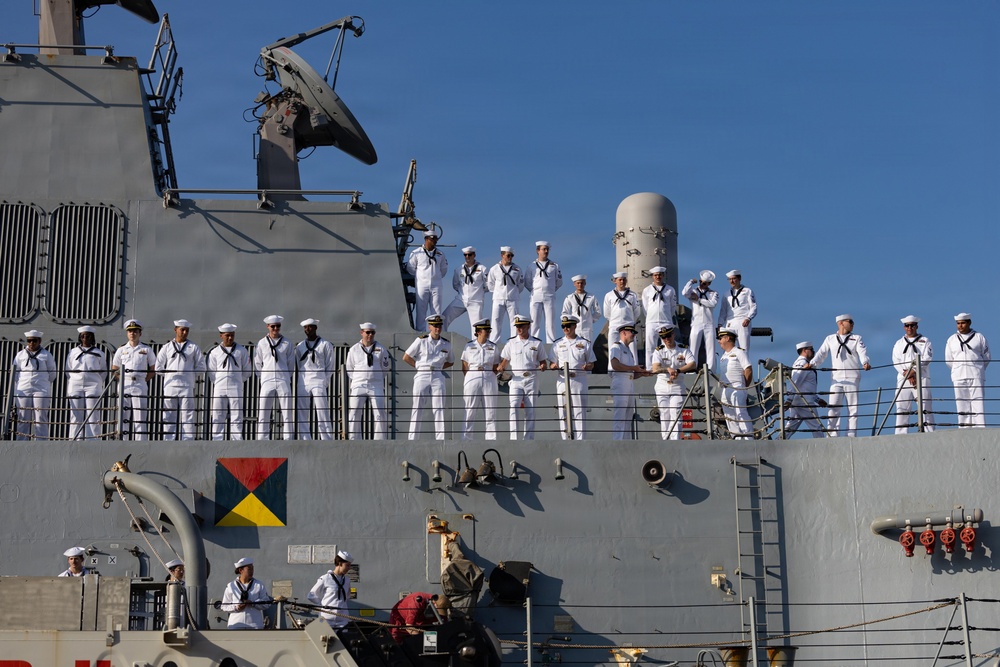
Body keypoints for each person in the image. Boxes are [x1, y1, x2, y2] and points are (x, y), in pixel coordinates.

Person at [808, 314, 871, 437]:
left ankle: (851, 436)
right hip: (836, 379)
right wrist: (812, 364)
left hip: (852, 378)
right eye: (850, 322)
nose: (853, 324)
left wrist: (865, 362)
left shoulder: (856, 338)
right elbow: (821, 354)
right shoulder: (830, 339)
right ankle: (832, 435)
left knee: (853, 409)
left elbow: (862, 352)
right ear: (841, 323)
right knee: (833, 408)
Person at [498, 314, 549, 439]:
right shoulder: (511, 343)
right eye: (517, 326)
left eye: (521, 326)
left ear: (528, 326)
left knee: (530, 409)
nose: (519, 328)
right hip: (516, 379)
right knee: (514, 405)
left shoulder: (536, 343)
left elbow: (543, 362)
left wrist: (543, 366)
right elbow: (505, 361)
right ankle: (514, 437)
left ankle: (528, 438)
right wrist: (501, 367)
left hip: (531, 378)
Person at [403, 314, 454, 440]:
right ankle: (413, 438)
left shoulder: (446, 344)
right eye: (435, 325)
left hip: (437, 375)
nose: (438, 328)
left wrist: (439, 368)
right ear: (429, 326)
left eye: (440, 325)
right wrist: (418, 366)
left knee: (439, 408)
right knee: (418, 407)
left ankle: (440, 439)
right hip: (422, 374)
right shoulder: (421, 340)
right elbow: (406, 357)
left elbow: (451, 361)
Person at [156, 319, 206, 440]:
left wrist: (189, 375)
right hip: (170, 386)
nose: (184, 332)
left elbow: (201, 367)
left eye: (186, 330)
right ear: (175, 330)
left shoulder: (193, 347)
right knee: (168, 415)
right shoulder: (167, 347)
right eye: (182, 330)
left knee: (188, 415)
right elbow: (158, 367)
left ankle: (188, 440)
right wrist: (170, 375)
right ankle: (168, 440)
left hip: (187, 386)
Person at [549, 315, 596, 439]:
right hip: (562, 379)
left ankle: (580, 440)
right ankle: (565, 440)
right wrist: (553, 365)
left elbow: (591, 362)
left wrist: (588, 366)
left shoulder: (584, 343)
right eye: (563, 326)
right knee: (563, 411)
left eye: (568, 326)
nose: (566, 328)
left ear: (575, 326)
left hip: (579, 379)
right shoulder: (557, 344)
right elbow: (552, 362)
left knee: (579, 411)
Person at [345, 323, 392, 439]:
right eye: (367, 332)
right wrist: (358, 378)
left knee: (380, 413)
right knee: (354, 413)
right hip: (358, 384)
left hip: (375, 384)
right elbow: (349, 368)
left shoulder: (381, 349)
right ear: (362, 333)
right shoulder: (354, 349)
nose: (370, 335)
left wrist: (376, 377)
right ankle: (354, 439)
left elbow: (385, 367)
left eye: (372, 333)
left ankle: (380, 440)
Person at [945, 312, 991, 428]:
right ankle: (964, 427)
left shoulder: (979, 337)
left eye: (963, 323)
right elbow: (949, 360)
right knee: (961, 402)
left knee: (978, 402)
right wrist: (957, 369)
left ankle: (980, 427)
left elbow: (987, 357)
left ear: (969, 323)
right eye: (958, 323)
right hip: (958, 375)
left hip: (976, 374)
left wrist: (978, 368)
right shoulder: (952, 339)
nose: (960, 326)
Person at [111, 319, 156, 440]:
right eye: (130, 331)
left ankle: (140, 442)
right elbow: (115, 368)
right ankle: (122, 441)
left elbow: (153, 368)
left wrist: (143, 380)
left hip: (140, 383)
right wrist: (122, 379)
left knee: (140, 415)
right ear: (127, 333)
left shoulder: (147, 350)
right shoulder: (121, 350)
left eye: (135, 331)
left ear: (140, 333)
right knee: (123, 415)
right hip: (125, 383)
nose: (132, 334)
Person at [207, 323, 252, 440]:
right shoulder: (215, 352)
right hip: (219, 387)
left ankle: (236, 439)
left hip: (235, 386)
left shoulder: (241, 351)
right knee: (218, 414)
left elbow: (247, 370)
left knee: (237, 414)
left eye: (232, 335)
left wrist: (237, 380)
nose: (230, 338)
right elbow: (211, 371)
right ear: (221, 336)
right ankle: (217, 438)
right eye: (227, 335)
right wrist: (218, 382)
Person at [650, 324, 695, 440]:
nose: (666, 339)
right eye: (663, 337)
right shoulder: (659, 351)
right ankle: (665, 439)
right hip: (662, 385)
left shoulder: (683, 349)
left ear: (673, 334)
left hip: (677, 385)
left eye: (668, 336)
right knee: (664, 413)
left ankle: (675, 440)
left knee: (676, 413)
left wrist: (678, 370)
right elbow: (655, 369)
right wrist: (667, 369)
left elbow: (692, 364)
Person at [891, 315, 935, 434]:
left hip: (921, 377)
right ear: (904, 327)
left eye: (912, 325)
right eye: (907, 325)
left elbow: (927, 358)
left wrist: (914, 370)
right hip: (903, 379)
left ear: (916, 326)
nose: (909, 327)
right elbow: (896, 361)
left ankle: (929, 431)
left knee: (925, 406)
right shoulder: (899, 343)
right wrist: (907, 374)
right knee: (902, 407)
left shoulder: (925, 341)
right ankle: (900, 434)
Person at [254, 315, 295, 440]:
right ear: (268, 326)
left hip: (283, 378)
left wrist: (286, 376)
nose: (275, 328)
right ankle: (262, 437)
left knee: (287, 409)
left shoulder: (287, 343)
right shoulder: (261, 343)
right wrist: (264, 376)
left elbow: (291, 363)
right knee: (264, 410)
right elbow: (257, 363)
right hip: (267, 379)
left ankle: (288, 437)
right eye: (273, 326)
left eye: (278, 326)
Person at [13, 329, 58, 441]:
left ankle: (42, 441)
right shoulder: (20, 355)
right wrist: (22, 383)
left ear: (39, 341)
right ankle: (21, 441)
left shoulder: (46, 355)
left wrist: (43, 382)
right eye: (29, 341)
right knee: (23, 416)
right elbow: (16, 372)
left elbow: (52, 373)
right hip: (24, 387)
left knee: (41, 416)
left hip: (41, 388)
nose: (31, 343)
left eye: (34, 341)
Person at [295, 318, 336, 440]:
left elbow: (330, 365)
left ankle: (326, 438)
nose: (308, 329)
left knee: (322, 410)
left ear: (316, 328)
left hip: (318, 378)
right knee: (302, 411)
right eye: (306, 327)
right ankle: (305, 437)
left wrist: (325, 380)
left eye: (311, 327)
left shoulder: (325, 344)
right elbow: (298, 363)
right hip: (304, 379)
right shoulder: (300, 346)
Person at [65, 325, 108, 440]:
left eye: (88, 336)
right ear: (80, 337)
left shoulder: (99, 353)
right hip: (76, 384)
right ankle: (75, 439)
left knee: (93, 415)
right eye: (83, 336)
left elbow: (103, 370)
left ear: (92, 337)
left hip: (93, 385)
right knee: (76, 414)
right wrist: (77, 378)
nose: (85, 338)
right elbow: (68, 369)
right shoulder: (73, 352)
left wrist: (96, 380)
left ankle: (93, 440)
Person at [461, 319, 500, 440]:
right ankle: (466, 438)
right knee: (469, 409)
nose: (488, 332)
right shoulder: (469, 346)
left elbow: (495, 366)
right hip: (472, 376)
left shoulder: (493, 347)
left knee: (490, 411)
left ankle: (491, 439)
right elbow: (464, 366)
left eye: (489, 330)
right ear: (478, 331)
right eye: (485, 330)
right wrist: (471, 376)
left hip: (489, 377)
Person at [609, 324, 648, 440]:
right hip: (620, 383)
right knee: (620, 415)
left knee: (628, 416)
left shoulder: (628, 351)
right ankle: (617, 442)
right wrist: (634, 368)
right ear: (624, 333)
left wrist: (641, 373)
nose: (634, 335)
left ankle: (625, 442)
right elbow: (615, 365)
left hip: (629, 383)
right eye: (632, 332)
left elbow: (630, 372)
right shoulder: (616, 347)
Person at [406, 230, 448, 330]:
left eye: (435, 239)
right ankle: (420, 331)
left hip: (436, 285)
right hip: (422, 285)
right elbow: (410, 269)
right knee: (421, 310)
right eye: (431, 239)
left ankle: (436, 331)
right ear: (426, 239)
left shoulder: (440, 254)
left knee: (436, 309)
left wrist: (434, 277)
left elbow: (443, 270)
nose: (434, 241)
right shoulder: (416, 253)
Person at [443, 246, 489, 337]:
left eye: (470, 255)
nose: (467, 257)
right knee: (444, 317)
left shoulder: (482, 268)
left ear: (474, 255)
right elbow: (455, 284)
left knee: (476, 327)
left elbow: (488, 284)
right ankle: (441, 337)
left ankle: (475, 347)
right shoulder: (459, 269)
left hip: (475, 301)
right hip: (461, 299)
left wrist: (479, 292)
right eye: (465, 255)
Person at [717, 328, 753, 440]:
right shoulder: (723, 356)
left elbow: (748, 369)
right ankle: (737, 439)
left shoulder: (739, 352)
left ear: (727, 338)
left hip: (737, 386)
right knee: (729, 416)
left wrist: (743, 387)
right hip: (725, 388)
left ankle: (748, 438)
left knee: (740, 413)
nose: (719, 341)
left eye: (720, 338)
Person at [785, 341, 825, 438]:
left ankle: (776, 444)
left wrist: (817, 400)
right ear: (804, 350)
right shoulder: (802, 363)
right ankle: (823, 448)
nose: (813, 352)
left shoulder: (806, 364)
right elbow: (796, 381)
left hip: (800, 401)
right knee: (816, 426)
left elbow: (806, 387)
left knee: (790, 429)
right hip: (804, 402)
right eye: (811, 349)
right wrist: (789, 399)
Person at [681, 270, 719, 371]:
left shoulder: (713, 293)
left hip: (709, 323)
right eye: (700, 281)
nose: (702, 284)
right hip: (696, 322)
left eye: (705, 283)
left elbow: (712, 304)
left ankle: (711, 370)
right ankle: (692, 368)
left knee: (711, 348)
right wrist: (690, 282)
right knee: (693, 347)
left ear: (709, 283)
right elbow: (684, 292)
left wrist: (699, 300)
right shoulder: (693, 291)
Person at [642, 266, 678, 370]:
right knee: (650, 346)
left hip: (665, 321)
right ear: (652, 276)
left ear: (663, 276)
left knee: (667, 345)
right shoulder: (647, 290)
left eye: (660, 275)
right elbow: (645, 308)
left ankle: (667, 367)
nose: (658, 277)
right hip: (651, 321)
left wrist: (667, 317)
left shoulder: (670, 290)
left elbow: (672, 306)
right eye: (655, 275)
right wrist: (650, 317)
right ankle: (650, 368)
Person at [527, 240, 563, 343]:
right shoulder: (531, 266)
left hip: (549, 295)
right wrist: (536, 290)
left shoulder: (554, 265)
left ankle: (551, 343)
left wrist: (550, 289)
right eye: (544, 249)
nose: (546, 251)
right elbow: (527, 282)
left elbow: (559, 281)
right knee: (534, 321)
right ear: (538, 251)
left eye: (547, 249)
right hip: (536, 295)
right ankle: (533, 342)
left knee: (550, 321)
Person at [486, 246, 524, 343]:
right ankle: (494, 342)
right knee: (496, 321)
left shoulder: (517, 269)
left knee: (514, 321)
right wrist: (498, 292)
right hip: (498, 298)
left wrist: (514, 293)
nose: (510, 257)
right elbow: (490, 284)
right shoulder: (494, 269)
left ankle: (514, 342)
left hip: (512, 298)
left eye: (511, 255)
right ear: (502, 255)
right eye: (508, 255)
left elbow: (520, 284)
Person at [308, 550, 355, 629]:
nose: (349, 568)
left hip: (342, 618)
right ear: (340, 564)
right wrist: (322, 605)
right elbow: (311, 595)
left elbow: (347, 596)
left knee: (342, 640)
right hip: (327, 618)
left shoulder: (347, 580)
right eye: (347, 565)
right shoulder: (325, 578)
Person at [603, 272, 643, 362]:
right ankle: (612, 369)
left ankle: (633, 369)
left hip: (628, 325)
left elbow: (636, 311)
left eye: (624, 280)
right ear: (615, 281)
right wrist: (613, 320)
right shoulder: (609, 295)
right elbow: (607, 313)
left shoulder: (632, 295)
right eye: (620, 280)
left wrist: (631, 321)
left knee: (632, 348)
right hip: (614, 325)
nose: (622, 281)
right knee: (613, 348)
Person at [221, 557, 270, 629]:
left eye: (252, 568)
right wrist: (236, 607)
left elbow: (267, 603)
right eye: (249, 569)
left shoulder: (259, 585)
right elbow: (224, 606)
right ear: (241, 570)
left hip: (255, 625)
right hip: (236, 625)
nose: (252, 571)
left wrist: (253, 603)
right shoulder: (231, 586)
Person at [717, 270, 757, 353]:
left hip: (742, 321)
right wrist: (720, 324)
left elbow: (753, 307)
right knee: (728, 348)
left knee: (743, 349)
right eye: (729, 279)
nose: (731, 281)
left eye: (734, 279)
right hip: (730, 322)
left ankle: (744, 365)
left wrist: (748, 318)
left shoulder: (747, 291)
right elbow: (723, 311)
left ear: (739, 278)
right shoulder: (726, 294)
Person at [561, 274, 602, 343]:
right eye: (578, 283)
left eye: (582, 283)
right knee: (574, 346)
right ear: (574, 284)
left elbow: (598, 312)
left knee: (588, 347)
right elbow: (565, 313)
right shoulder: (570, 297)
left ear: (585, 283)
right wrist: (570, 323)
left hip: (587, 329)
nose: (580, 285)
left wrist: (590, 320)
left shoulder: (591, 297)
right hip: (574, 328)